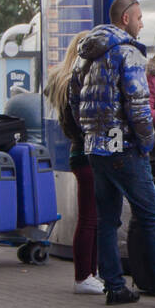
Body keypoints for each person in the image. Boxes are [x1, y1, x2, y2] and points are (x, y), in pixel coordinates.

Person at [68, 0, 155, 307]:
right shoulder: (128, 53)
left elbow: (73, 98)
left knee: (107, 219)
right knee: (154, 217)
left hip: (96, 147)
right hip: (125, 148)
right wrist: (146, 142)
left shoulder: (86, 54)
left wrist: (90, 132)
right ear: (127, 18)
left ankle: (115, 286)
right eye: (140, 18)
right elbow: (138, 104)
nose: (142, 24)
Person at [47, 29, 106, 294]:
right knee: (90, 218)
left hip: (77, 152)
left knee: (91, 217)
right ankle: (83, 275)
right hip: (88, 153)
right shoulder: (81, 81)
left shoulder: (61, 79)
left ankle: (89, 273)